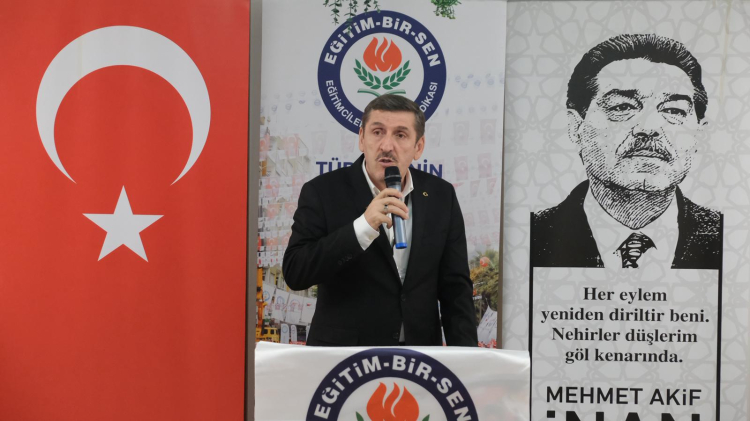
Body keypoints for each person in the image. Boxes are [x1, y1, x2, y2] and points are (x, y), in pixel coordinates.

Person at [283, 95, 477, 346]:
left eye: (400, 135)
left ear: (418, 147)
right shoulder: (322, 191)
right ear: (361, 138)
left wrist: (466, 359)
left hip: (420, 358)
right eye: (377, 132)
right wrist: (362, 227)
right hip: (345, 358)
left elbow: (455, 288)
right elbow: (296, 272)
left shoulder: (441, 195)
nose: (387, 145)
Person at [532, 34, 721, 270]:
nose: (649, 128)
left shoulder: (725, 237)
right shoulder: (533, 236)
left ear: (699, 134)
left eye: (673, 110)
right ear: (576, 127)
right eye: (622, 107)